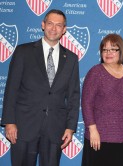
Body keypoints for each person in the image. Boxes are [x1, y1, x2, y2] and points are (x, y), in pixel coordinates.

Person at [1, 9, 80, 166]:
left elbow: (73, 96)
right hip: (24, 127)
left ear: (64, 30)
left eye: (59, 25)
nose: (53, 28)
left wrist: (70, 128)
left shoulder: (71, 58)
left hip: (55, 129)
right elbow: (11, 89)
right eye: (50, 23)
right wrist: (9, 121)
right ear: (43, 25)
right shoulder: (23, 52)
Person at [81, 33, 123, 166]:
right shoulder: (95, 72)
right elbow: (86, 103)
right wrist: (93, 130)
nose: (108, 53)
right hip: (99, 137)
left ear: (121, 51)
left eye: (113, 49)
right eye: (105, 49)